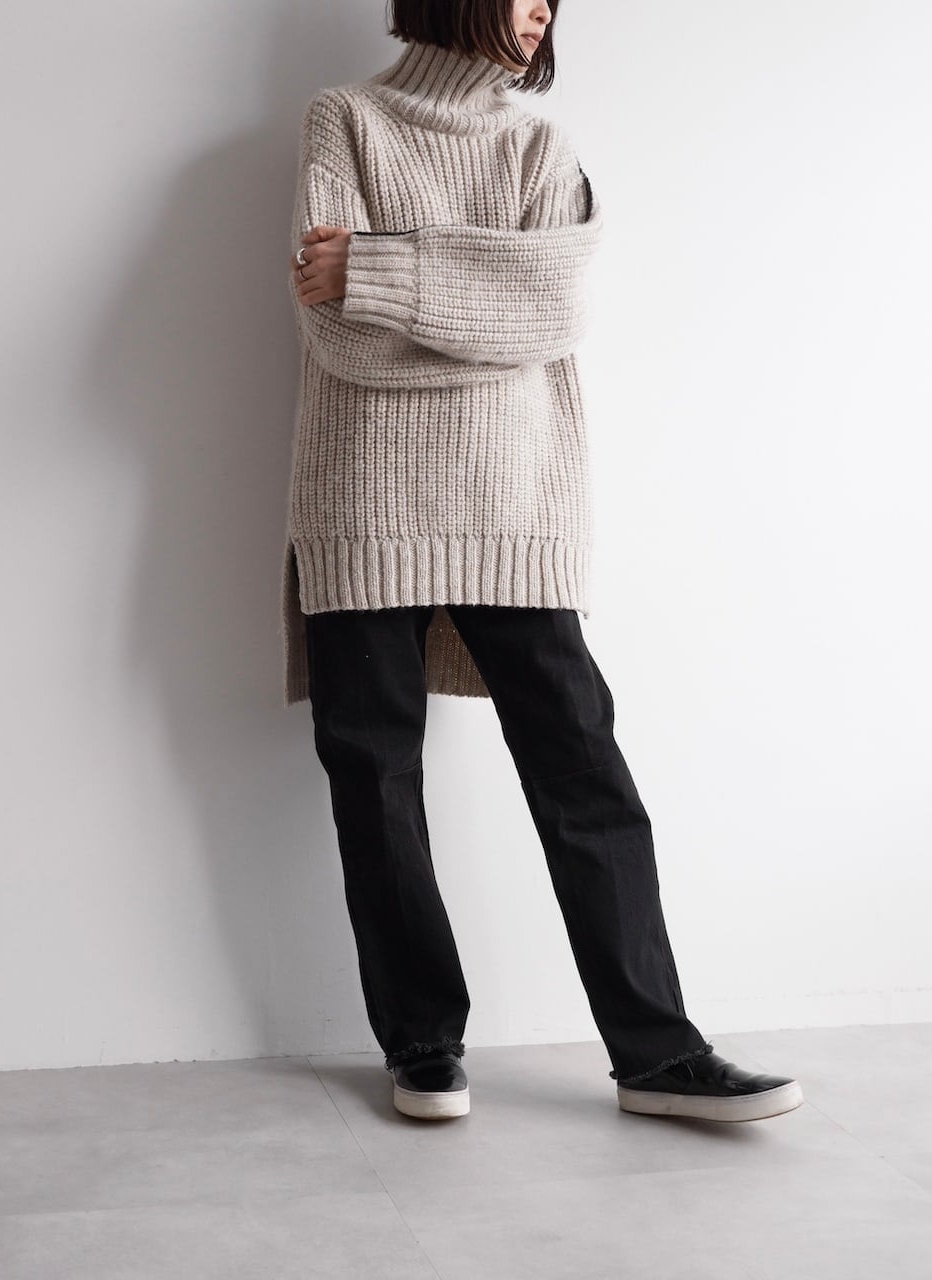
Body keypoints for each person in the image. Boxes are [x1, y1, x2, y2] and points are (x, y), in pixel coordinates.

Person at [280, 0, 803, 1124]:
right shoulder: (346, 120)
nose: (540, 9)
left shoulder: (537, 147)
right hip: (361, 500)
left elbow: (554, 306)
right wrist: (478, 306)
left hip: (513, 502)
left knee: (582, 769)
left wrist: (379, 269)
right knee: (374, 777)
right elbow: (335, 333)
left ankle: (657, 1052)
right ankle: (421, 1043)